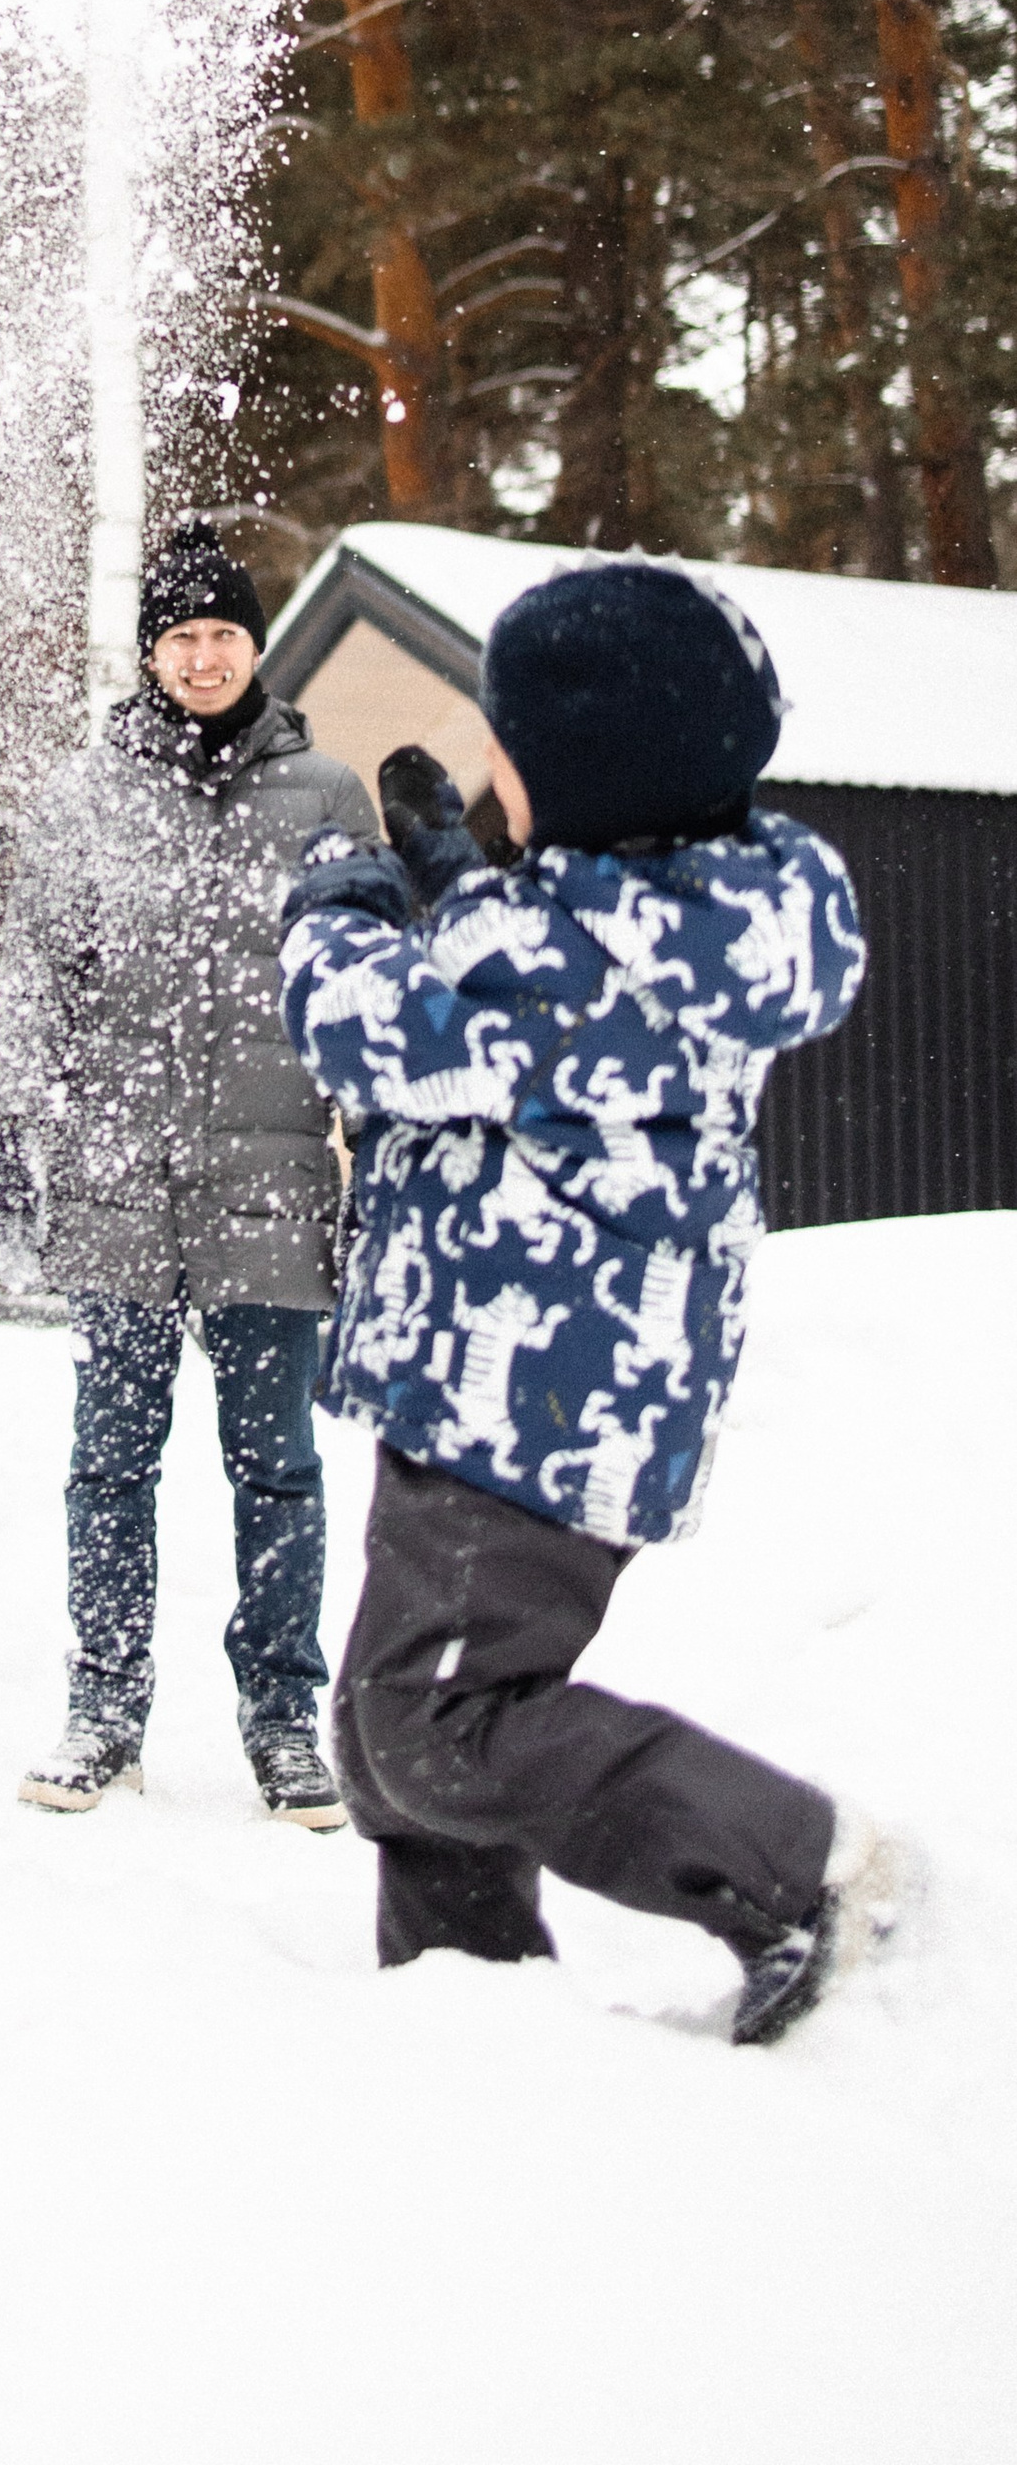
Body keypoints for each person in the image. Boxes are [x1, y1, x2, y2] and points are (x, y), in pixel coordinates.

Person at [279, 554, 907, 2043]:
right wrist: (464, 881)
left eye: (504, 739)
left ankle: (795, 1865)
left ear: (571, 775)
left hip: (521, 1398)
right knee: (398, 1733)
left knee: (433, 1727)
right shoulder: (686, 919)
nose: (487, 761)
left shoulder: (547, 962)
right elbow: (540, 990)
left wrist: (343, 898)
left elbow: (364, 1020)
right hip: (548, 1382)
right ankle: (470, 2009)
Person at [0, 517, 379, 1827]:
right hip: (118, 1183)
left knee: (278, 1468)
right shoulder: (84, 799)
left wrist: (378, 1160)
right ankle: (104, 1711)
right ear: (149, 653)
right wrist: (16, 1145)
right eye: (180, 636)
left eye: (223, 634)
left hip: (272, 1186)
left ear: (255, 647)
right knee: (110, 1463)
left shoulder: (328, 797)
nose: (203, 657)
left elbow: (362, 995)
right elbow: (37, 990)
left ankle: (283, 1724)